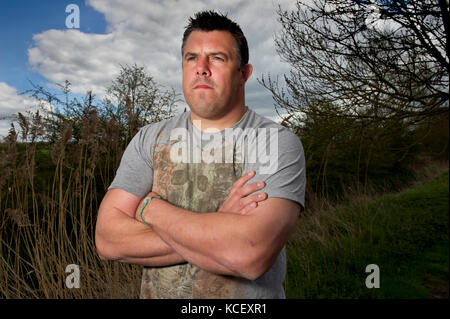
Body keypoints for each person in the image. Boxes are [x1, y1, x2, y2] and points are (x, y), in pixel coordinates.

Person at [95, 10, 306, 299]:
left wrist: (149, 208)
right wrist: (218, 224)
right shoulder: (149, 139)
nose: (201, 68)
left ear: (244, 73)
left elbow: (248, 254)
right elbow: (108, 240)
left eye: (217, 58)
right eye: (192, 58)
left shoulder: (274, 142)